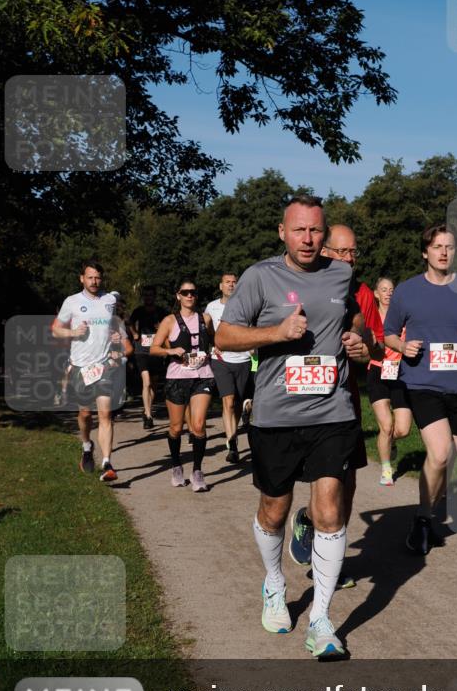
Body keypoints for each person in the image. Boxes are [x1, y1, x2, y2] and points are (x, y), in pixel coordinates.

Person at [216, 196, 365, 658]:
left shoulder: (341, 274)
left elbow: (354, 318)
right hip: (277, 413)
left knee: (329, 509)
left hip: (332, 410)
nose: (308, 239)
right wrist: (275, 333)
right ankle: (275, 584)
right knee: (274, 511)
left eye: (316, 231)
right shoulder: (260, 277)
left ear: (325, 234)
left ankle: (321, 618)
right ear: (282, 231)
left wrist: (361, 340)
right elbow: (224, 337)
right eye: (299, 230)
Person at [384, 225, 457, 555]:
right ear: (426, 252)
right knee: (439, 453)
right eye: (437, 246)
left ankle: (428, 517)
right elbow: (388, 334)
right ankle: (421, 521)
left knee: (450, 463)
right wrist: (403, 346)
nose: (444, 252)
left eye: (449, 246)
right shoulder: (407, 291)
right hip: (422, 383)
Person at [288, 224, 379, 588]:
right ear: (324, 251)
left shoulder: (363, 293)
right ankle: (309, 520)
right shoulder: (294, 283)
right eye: (341, 252)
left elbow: (375, 342)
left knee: (347, 483)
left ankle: (328, 557)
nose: (349, 259)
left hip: (344, 398)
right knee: (319, 483)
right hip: (297, 399)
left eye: (353, 252)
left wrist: (364, 346)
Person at [51, 260, 125, 481]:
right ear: (81, 278)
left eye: (98, 277)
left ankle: (107, 463)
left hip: (103, 366)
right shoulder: (71, 301)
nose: (94, 281)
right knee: (85, 414)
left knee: (106, 415)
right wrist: (74, 333)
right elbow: (56, 330)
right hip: (80, 367)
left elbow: (113, 324)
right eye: (90, 277)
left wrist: (116, 335)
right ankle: (86, 445)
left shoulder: (110, 300)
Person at [151, 279, 214, 492]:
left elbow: (214, 341)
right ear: (178, 295)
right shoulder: (169, 321)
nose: (190, 296)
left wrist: (216, 350)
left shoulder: (206, 318)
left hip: (203, 376)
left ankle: (197, 471)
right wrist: (171, 351)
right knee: (176, 428)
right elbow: (154, 348)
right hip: (177, 378)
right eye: (185, 292)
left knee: (197, 425)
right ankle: (176, 465)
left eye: (193, 292)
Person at [205, 273, 254, 463]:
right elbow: (207, 329)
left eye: (234, 282)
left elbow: (251, 328)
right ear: (220, 286)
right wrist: (212, 342)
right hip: (221, 359)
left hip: (243, 359)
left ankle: (235, 431)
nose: (232, 285)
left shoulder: (247, 305)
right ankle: (232, 444)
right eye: (228, 282)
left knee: (237, 403)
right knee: (229, 401)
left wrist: (251, 346)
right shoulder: (212, 307)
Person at [368, 276, 413, 486]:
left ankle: (390, 442)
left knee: (402, 429)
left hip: (400, 374)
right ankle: (386, 468)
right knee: (386, 425)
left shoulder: (403, 317)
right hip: (377, 372)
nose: (388, 293)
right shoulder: (371, 318)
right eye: (384, 290)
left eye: (391, 289)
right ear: (376, 294)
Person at [128, 285, 166, 429]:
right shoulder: (138, 311)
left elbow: (168, 324)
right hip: (141, 350)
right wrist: (135, 333)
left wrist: (161, 329)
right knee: (146, 382)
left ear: (154, 297)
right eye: (146, 295)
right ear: (143, 297)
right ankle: (149, 415)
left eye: (151, 295)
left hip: (156, 350)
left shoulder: (161, 311)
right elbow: (130, 322)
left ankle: (146, 409)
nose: (148, 298)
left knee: (154, 384)